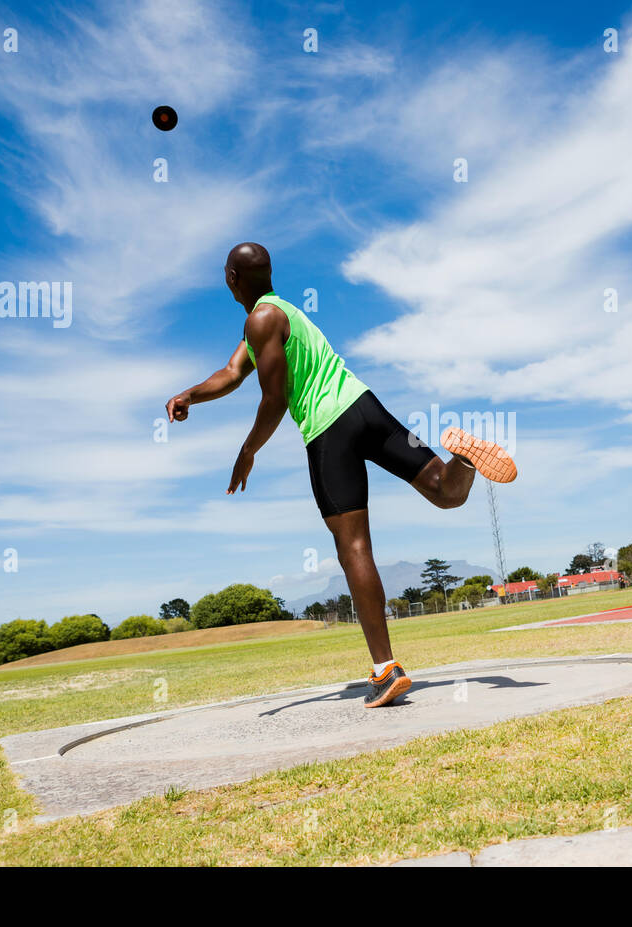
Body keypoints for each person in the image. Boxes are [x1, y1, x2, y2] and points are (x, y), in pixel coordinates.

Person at [166, 243, 517, 708]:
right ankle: (465, 460)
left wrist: (247, 452)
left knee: (354, 549)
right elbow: (232, 373)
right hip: (365, 407)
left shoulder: (260, 321)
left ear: (231, 278)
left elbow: (273, 398)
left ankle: (385, 669)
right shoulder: (280, 314)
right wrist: (189, 394)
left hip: (329, 432)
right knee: (446, 492)